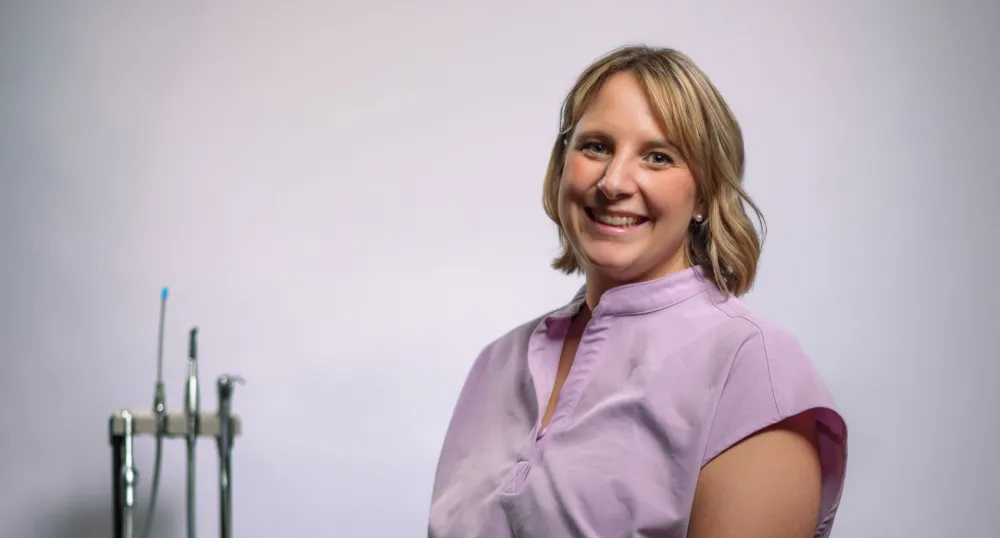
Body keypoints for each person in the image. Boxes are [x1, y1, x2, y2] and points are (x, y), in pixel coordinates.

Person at [427, 45, 848, 538]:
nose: (613, 182)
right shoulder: (497, 363)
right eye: (596, 147)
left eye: (658, 157)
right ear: (563, 165)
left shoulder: (753, 367)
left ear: (706, 195)